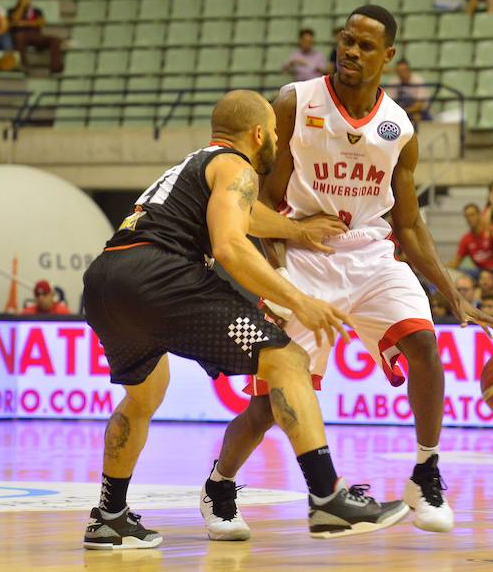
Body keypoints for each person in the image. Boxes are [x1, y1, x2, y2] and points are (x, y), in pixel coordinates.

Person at [206, 7, 493, 539]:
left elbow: (409, 224)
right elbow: (263, 201)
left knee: (425, 348)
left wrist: (451, 293)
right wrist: (281, 259)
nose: (351, 51)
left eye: (366, 46)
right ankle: (220, 485)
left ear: (387, 56)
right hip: (303, 251)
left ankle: (426, 472)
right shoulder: (295, 102)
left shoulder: (399, 127)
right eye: (347, 40)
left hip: (371, 253)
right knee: (273, 401)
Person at [81, 89, 409, 548]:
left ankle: (108, 516)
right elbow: (230, 245)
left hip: (105, 282)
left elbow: (245, 215)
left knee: (143, 397)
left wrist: (297, 230)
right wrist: (299, 301)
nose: (277, 138)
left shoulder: (197, 166)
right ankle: (326, 496)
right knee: (288, 360)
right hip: (163, 276)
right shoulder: (238, 166)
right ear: (259, 134)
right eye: (275, 132)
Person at [8, 0, 63, 74]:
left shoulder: (36, 10)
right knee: (19, 36)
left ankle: (56, 68)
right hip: (21, 36)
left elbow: (41, 22)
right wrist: (22, 6)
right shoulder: (12, 10)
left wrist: (24, 23)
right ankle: (23, 66)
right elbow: (14, 20)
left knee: (55, 40)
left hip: (35, 36)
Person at [450, 202, 493, 272]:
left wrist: (492, 234)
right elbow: (456, 262)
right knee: (456, 272)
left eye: (472, 215)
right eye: (467, 216)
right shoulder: (466, 239)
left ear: (479, 214)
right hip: (480, 273)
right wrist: (442, 270)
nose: (469, 218)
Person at [385, 59, 430, 127]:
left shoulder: (418, 81)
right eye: (399, 71)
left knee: (418, 117)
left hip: (418, 112)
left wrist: (405, 112)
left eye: (404, 70)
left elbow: (420, 105)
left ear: (409, 70)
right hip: (400, 112)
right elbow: (390, 102)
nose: (402, 74)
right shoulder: (394, 82)